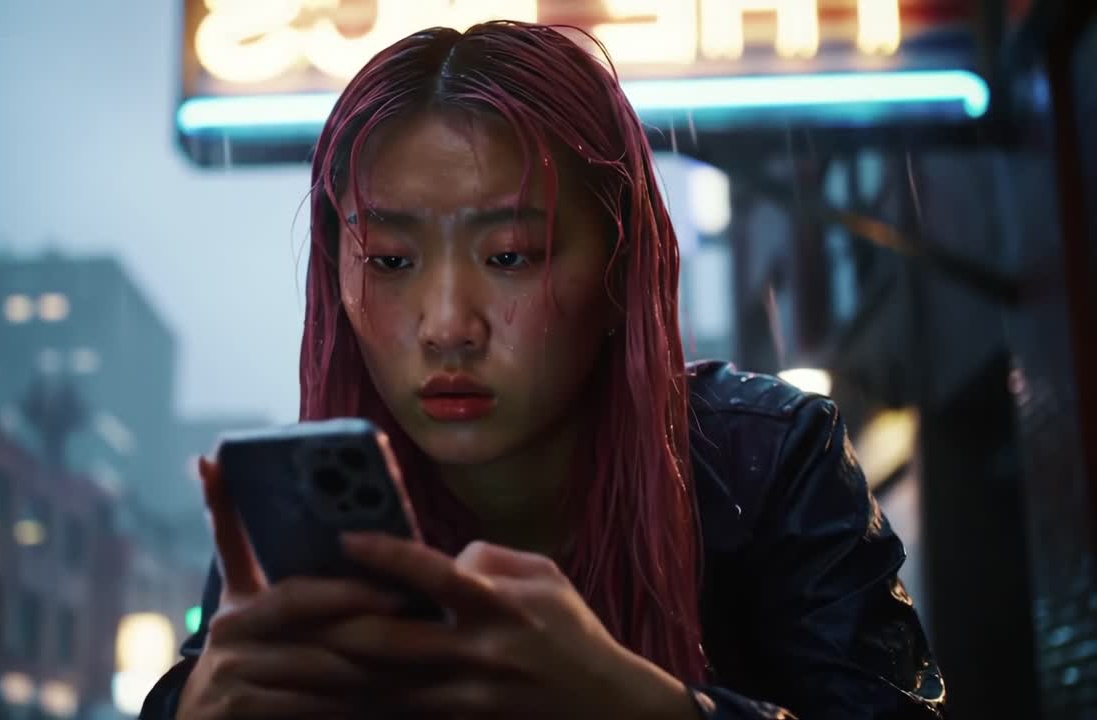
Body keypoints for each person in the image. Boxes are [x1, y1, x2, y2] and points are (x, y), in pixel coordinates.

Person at [143, 20, 945, 719]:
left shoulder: (766, 460)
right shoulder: (295, 512)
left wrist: (647, 709)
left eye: (510, 255)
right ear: (334, 276)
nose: (449, 326)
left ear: (619, 267)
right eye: (390, 258)